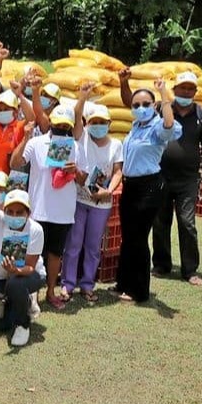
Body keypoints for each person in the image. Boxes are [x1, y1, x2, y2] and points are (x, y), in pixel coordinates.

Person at [120, 70, 202, 286]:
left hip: (188, 179)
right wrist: (124, 82)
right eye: (183, 88)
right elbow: (131, 102)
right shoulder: (162, 110)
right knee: (160, 222)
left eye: (191, 88)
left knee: (187, 223)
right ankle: (162, 265)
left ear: (195, 91)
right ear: (175, 90)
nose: (187, 92)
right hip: (160, 176)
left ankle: (190, 270)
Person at [114, 78, 182, 303]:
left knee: (139, 238)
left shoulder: (156, 126)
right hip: (130, 186)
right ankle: (123, 282)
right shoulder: (135, 126)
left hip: (150, 187)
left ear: (154, 106)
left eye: (145, 104)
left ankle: (139, 290)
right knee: (128, 236)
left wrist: (164, 95)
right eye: (136, 105)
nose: (140, 108)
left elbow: (170, 127)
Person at [0, 157, 46, 347]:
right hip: (2, 275)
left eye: (19, 212)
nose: (14, 216)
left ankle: (23, 325)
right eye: (10, 211)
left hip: (30, 275)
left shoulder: (35, 230)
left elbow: (30, 266)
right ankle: (23, 305)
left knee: (16, 285)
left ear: (28, 213)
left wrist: (16, 271)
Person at [12, 106, 77, 309]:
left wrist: (76, 171)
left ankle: (50, 291)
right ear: (51, 123)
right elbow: (15, 163)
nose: (62, 128)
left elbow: (83, 179)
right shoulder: (36, 142)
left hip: (63, 211)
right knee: (32, 253)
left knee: (55, 253)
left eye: (66, 126)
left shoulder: (75, 145)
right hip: (38, 208)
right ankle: (32, 294)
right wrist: (24, 138)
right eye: (59, 125)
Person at [61, 101, 123, 302]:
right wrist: (84, 96)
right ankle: (68, 284)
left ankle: (88, 284)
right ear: (87, 123)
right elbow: (77, 115)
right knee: (73, 244)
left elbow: (117, 171)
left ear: (109, 123)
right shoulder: (83, 138)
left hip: (101, 204)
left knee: (93, 246)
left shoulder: (116, 145)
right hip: (80, 199)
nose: (98, 125)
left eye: (102, 122)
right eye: (94, 121)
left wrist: (109, 191)